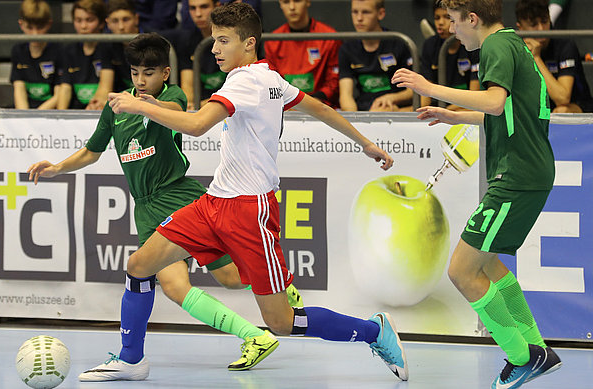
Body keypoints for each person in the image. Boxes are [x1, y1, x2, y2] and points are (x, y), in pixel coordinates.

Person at [107, 2, 408, 380]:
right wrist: (365, 142)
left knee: (281, 322)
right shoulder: (271, 78)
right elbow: (320, 108)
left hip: (250, 212)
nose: (214, 49)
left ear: (248, 43)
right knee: (139, 266)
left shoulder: (244, 81)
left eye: (222, 41)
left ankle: (374, 331)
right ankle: (131, 360)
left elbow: (198, 125)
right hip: (214, 202)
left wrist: (138, 106)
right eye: (213, 40)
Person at [28, 32, 303, 381]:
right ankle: (255, 336)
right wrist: (56, 168)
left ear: (164, 74)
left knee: (231, 278)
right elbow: (91, 151)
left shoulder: (169, 96)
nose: (141, 81)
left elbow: (176, 110)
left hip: (179, 197)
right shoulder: (117, 109)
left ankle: (282, 289)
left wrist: (143, 104)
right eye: (135, 73)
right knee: (174, 286)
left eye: (149, 73)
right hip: (145, 208)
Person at [391, 0, 561, 387]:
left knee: (461, 272)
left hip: (517, 175)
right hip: (525, 171)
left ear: (472, 18)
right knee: (487, 265)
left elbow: (496, 102)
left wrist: (428, 86)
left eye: (453, 21)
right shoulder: (514, 43)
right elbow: (511, 110)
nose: (451, 30)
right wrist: (455, 115)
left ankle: (522, 357)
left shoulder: (496, 47)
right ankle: (537, 348)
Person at [516, 0, 593, 113]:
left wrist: (536, 58)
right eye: (534, 25)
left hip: (577, 105)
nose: (541, 29)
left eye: (545, 21)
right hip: (539, 108)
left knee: (561, 111)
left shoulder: (565, 46)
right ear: (520, 27)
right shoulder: (515, 48)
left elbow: (562, 99)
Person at [338, 0, 413, 112]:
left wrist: (391, 99)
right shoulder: (347, 48)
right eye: (354, 12)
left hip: (393, 108)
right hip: (363, 110)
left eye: (366, 12)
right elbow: (345, 96)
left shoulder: (399, 43)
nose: (359, 18)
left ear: (381, 14)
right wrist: (356, 119)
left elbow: (415, 91)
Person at [264, 0, 341, 107]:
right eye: (286, 2)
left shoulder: (329, 37)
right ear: (280, 4)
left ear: (308, 1)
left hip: (322, 107)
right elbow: (273, 82)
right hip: (286, 107)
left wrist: (316, 100)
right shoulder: (273, 41)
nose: (292, 7)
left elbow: (334, 81)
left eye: (297, 1)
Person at [420, 0, 480, 110]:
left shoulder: (472, 45)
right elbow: (425, 97)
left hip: (465, 107)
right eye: (437, 18)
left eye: (448, 18)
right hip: (438, 108)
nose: (441, 23)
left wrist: (446, 112)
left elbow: (474, 96)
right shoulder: (429, 45)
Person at [57, 0, 113, 110]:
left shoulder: (109, 48)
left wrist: (93, 106)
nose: (83, 26)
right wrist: (61, 116)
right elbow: (65, 88)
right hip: (76, 111)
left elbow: (105, 88)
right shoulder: (68, 50)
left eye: (89, 20)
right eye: (78, 20)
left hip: (101, 110)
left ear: (101, 23)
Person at [170, 0, 225, 110]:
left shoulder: (232, 39)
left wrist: (200, 106)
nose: (198, 14)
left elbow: (235, 91)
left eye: (204, 7)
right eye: (193, 8)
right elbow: (188, 87)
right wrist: (190, 106)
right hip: (202, 108)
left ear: (217, 7)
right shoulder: (187, 41)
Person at [11, 0, 63, 109]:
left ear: (49, 24)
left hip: (50, 112)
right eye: (29, 28)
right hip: (26, 112)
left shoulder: (59, 51)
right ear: (21, 25)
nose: (35, 34)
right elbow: (19, 89)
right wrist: (25, 116)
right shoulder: (18, 51)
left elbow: (59, 94)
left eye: (40, 28)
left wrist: (37, 115)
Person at [103, 0, 140, 93]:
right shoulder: (106, 45)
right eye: (115, 21)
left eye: (126, 19)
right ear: (108, 23)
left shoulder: (153, 41)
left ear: (136, 19)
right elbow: (105, 87)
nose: (121, 27)